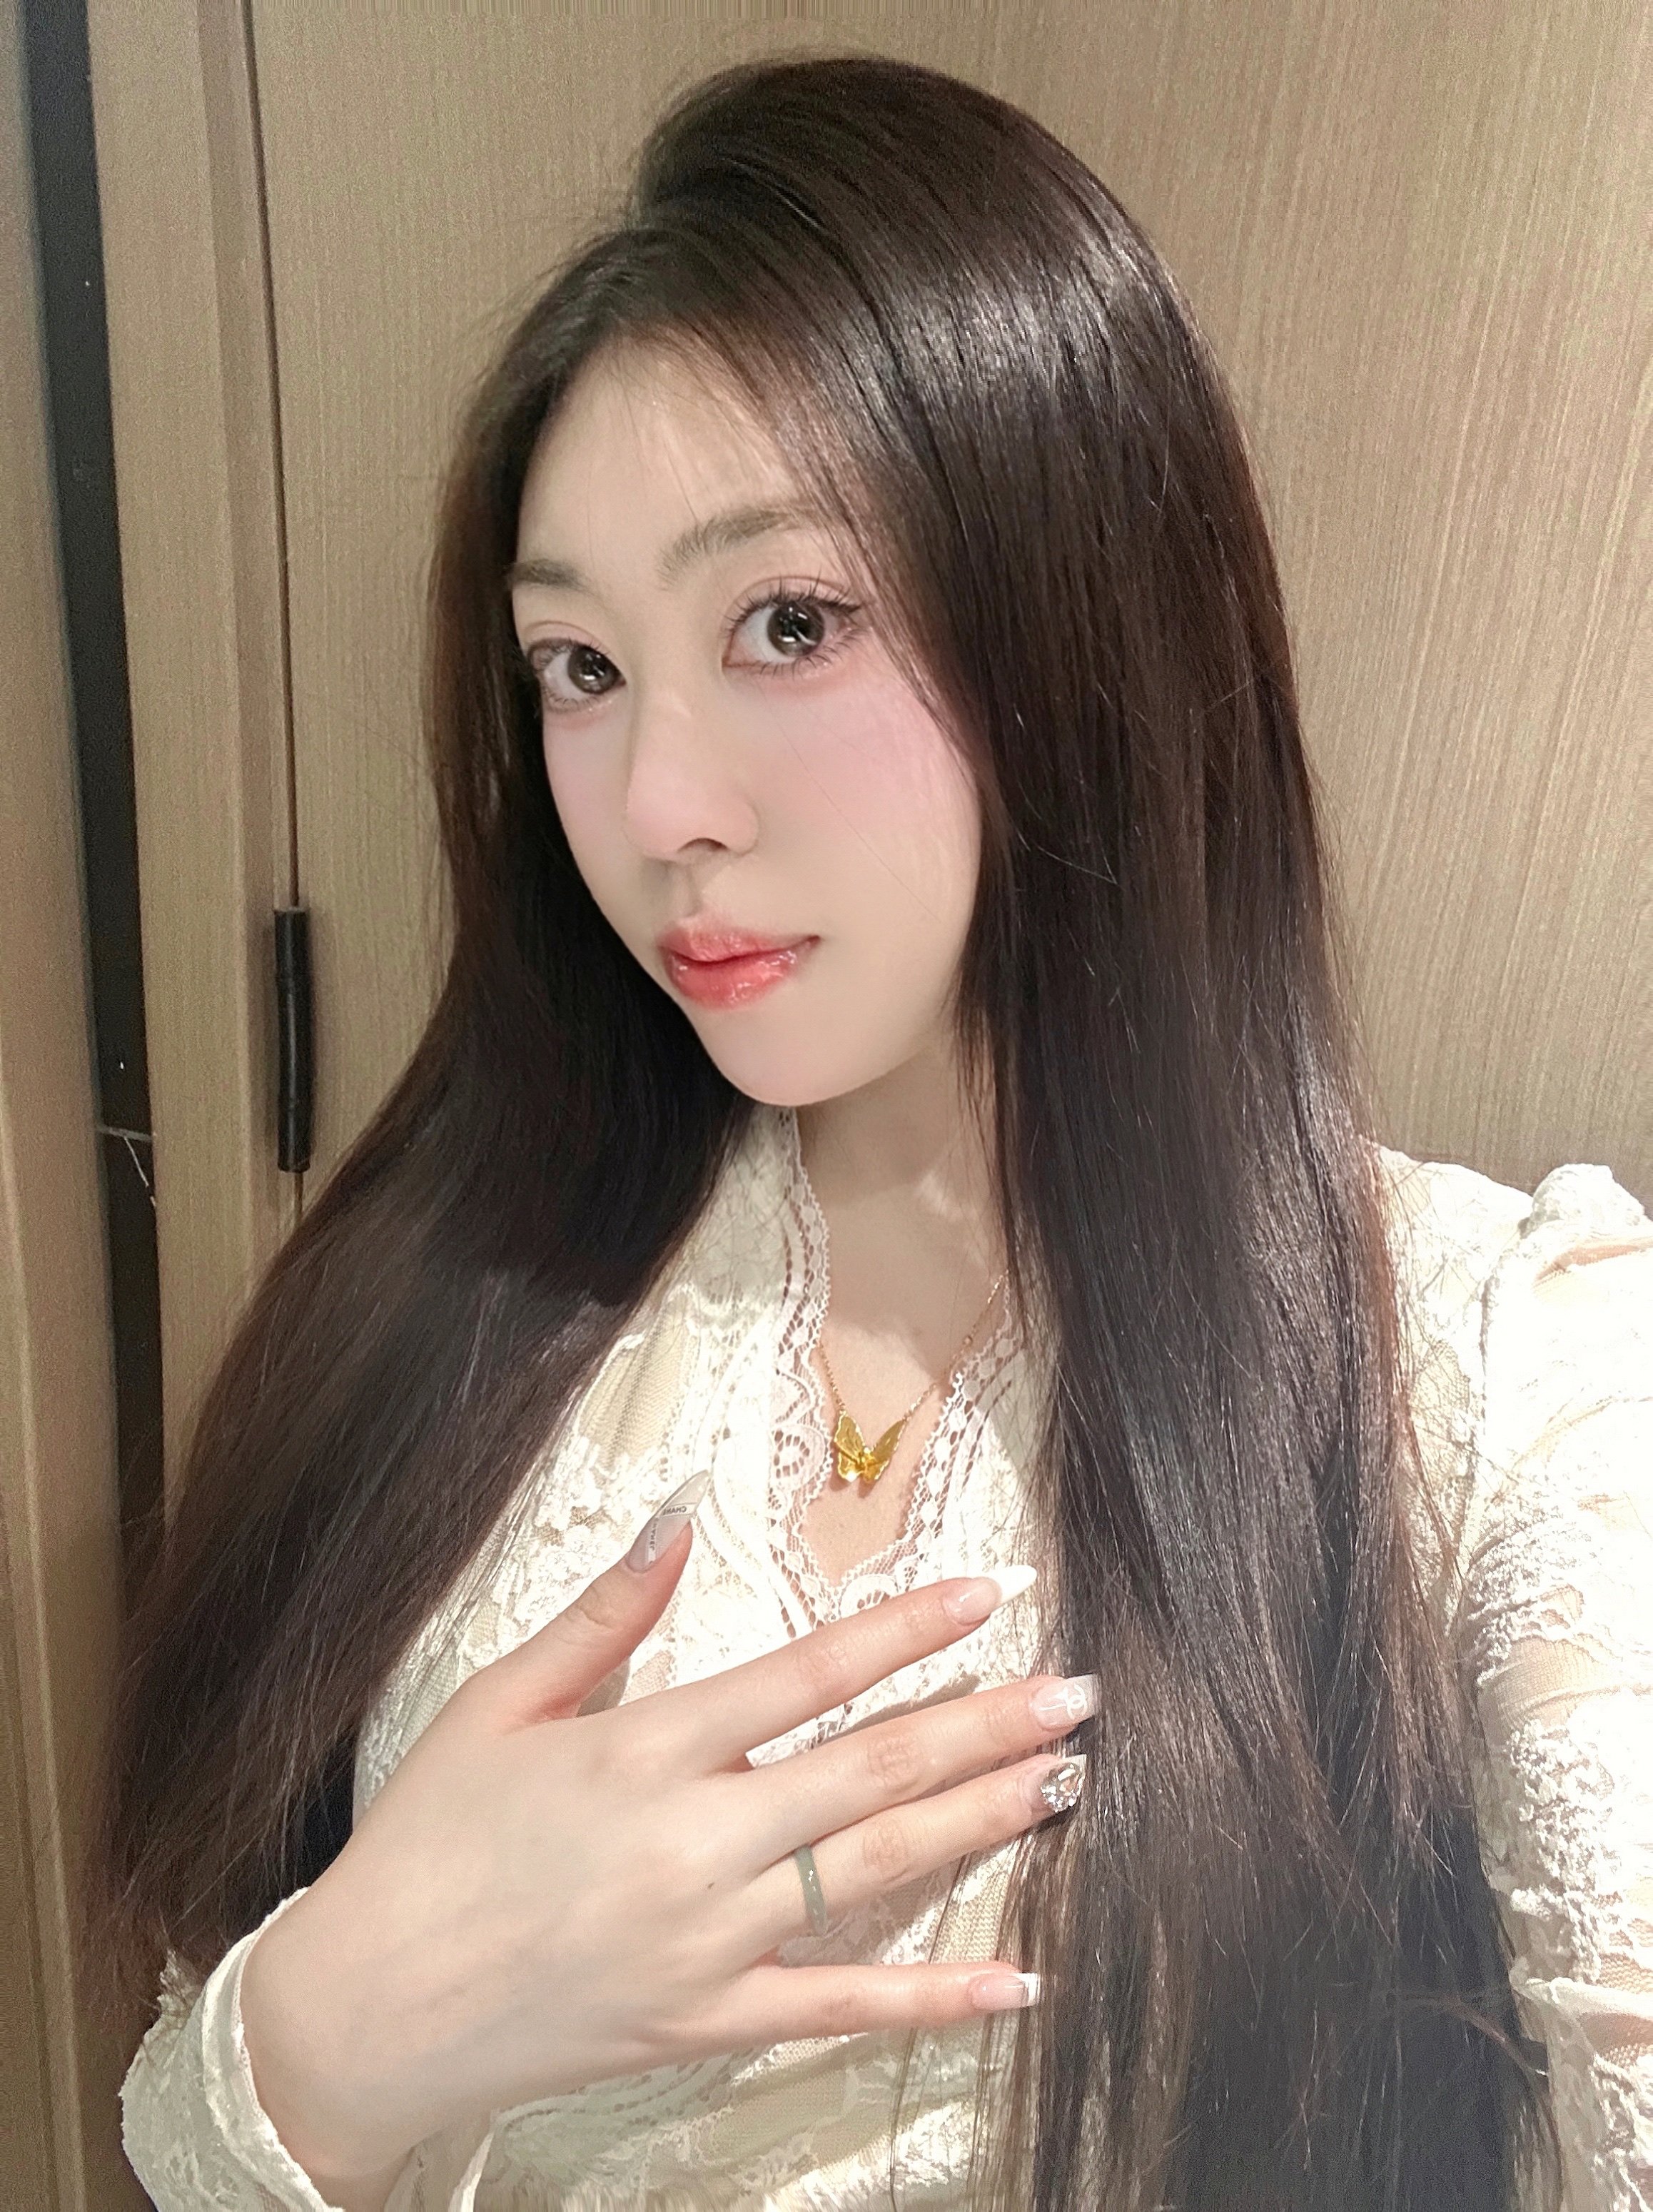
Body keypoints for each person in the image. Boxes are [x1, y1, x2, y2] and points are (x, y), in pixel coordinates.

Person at [89, 51, 1652, 2212]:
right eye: (577, 665)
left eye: (790, 623)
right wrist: (334, 2034)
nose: (658, 807)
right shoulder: (448, 1287)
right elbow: (185, 2101)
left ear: (1087, 626)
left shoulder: (1497, 1363)